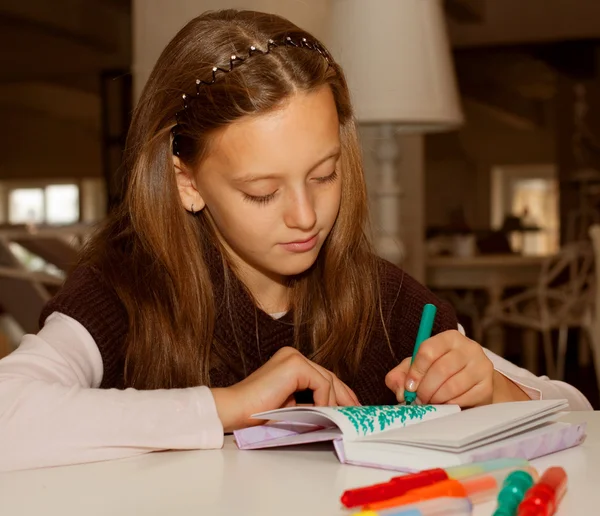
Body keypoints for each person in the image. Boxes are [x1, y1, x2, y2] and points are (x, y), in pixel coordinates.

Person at [0, 9, 591, 473]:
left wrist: (490, 388)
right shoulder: (123, 291)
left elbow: (578, 414)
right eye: (262, 191)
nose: (307, 216)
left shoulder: (382, 298)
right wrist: (231, 404)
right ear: (186, 181)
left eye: (325, 174)